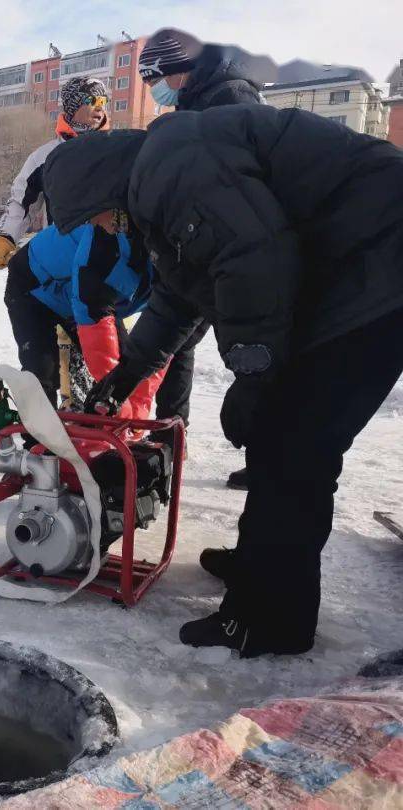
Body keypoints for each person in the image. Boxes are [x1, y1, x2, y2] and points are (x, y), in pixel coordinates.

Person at [42, 107, 403, 657]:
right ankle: (261, 564)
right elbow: (181, 294)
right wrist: (128, 371)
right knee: (279, 436)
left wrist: (255, 374)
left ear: (102, 188)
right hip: (351, 268)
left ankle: (272, 617)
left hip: (377, 269)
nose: (102, 228)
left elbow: (256, 260)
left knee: (294, 441)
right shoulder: (160, 180)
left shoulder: (173, 167)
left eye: (95, 218)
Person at [138, 28, 272, 484]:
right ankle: (171, 439)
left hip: (248, 256)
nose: (153, 92)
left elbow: (246, 186)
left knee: (253, 354)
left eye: (152, 80)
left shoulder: (230, 99)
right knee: (182, 345)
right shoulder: (198, 102)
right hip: (216, 251)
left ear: (177, 71)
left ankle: (267, 461)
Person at [0, 78, 109, 410]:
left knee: (102, 348)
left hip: (105, 264)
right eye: (92, 103)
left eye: (103, 103)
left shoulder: (116, 148)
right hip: (58, 261)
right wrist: (6, 236)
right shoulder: (45, 155)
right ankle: (58, 414)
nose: (99, 110)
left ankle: (99, 412)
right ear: (72, 108)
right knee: (60, 345)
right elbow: (21, 202)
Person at [6, 220, 167, 420]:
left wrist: (138, 411)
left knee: (128, 363)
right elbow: (94, 315)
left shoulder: (173, 275)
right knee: (41, 371)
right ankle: (38, 442)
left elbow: (164, 344)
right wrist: (119, 407)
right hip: (32, 288)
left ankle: (110, 429)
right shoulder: (110, 240)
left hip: (81, 296)